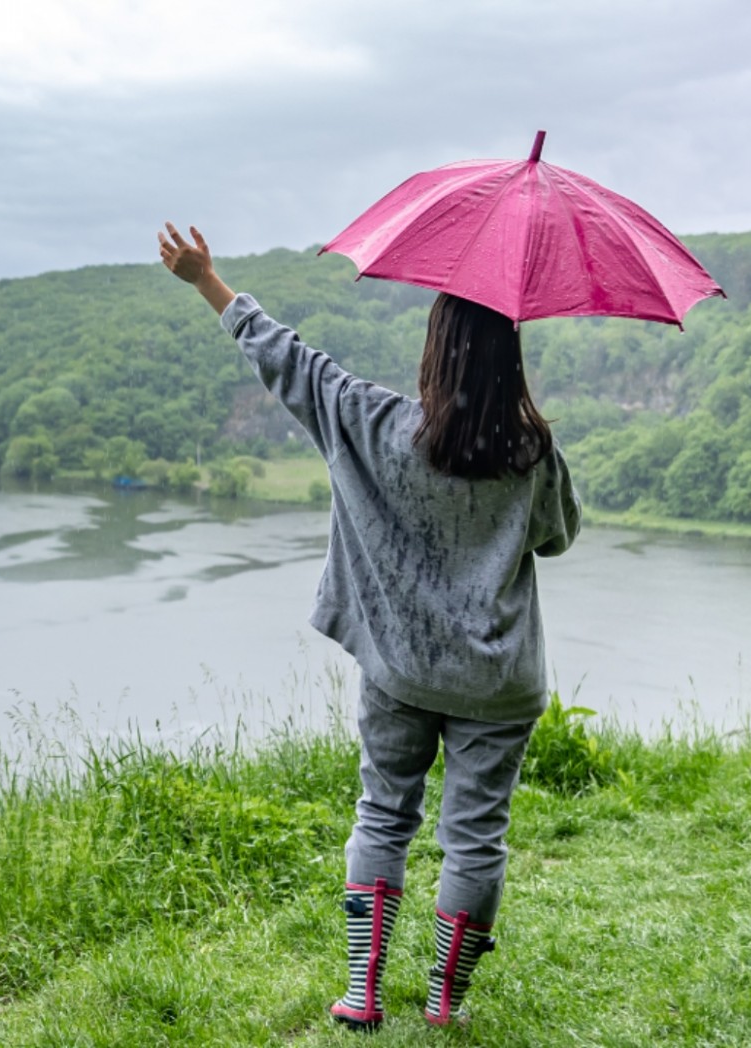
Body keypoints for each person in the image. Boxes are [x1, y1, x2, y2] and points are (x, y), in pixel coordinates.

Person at [156, 222, 581, 1029]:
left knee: (384, 814)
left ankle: (361, 994)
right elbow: (557, 537)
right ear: (510, 361)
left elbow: (288, 360)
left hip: (398, 668)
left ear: (435, 349)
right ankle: (444, 1004)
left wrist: (208, 281)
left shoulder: (370, 421)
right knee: (476, 837)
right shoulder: (531, 451)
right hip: (498, 681)